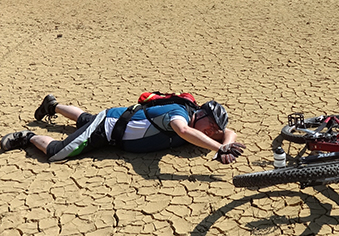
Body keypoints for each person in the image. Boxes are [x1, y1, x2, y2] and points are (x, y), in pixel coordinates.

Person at [1, 94, 246, 164]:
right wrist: (218, 147)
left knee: (85, 118)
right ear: (201, 114)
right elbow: (182, 131)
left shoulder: (198, 123)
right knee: (57, 152)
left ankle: (52, 106)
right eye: (212, 127)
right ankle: (27, 137)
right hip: (108, 130)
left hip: (114, 121)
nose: (213, 133)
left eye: (215, 131)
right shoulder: (179, 115)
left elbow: (230, 132)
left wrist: (227, 140)